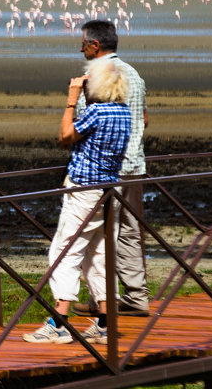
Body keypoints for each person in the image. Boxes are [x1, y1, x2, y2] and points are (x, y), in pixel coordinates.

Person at [24, 57, 131, 345]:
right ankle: (105, 324)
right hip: (111, 190)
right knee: (99, 256)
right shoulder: (124, 112)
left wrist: (72, 101)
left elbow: (65, 136)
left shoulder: (96, 112)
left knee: (64, 252)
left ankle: (58, 322)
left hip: (84, 191)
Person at [74, 19, 150, 316]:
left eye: (82, 43)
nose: (80, 48)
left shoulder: (95, 75)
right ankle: (136, 297)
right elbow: (144, 119)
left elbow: (83, 125)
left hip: (107, 168)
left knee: (100, 234)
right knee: (131, 232)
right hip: (135, 164)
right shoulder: (134, 74)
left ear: (95, 46)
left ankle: (101, 303)